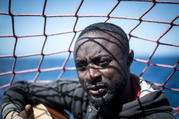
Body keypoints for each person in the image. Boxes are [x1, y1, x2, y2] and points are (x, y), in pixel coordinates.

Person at [0, 22, 175, 119]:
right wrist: (12, 115)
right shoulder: (81, 93)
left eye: (103, 63)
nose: (91, 75)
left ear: (128, 60)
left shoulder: (156, 115)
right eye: (82, 67)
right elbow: (20, 89)